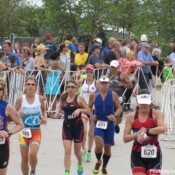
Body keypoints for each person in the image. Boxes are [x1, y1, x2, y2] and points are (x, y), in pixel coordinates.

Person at [123, 89, 166, 175]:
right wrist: (137, 134)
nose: (144, 105)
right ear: (137, 102)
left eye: (146, 102)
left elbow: (163, 128)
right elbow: (125, 138)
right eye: (141, 102)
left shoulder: (156, 114)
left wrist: (147, 131)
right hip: (137, 155)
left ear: (150, 102)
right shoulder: (131, 116)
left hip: (154, 156)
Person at [56, 80, 91, 175]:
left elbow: (89, 111)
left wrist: (80, 109)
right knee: (67, 150)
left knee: (77, 152)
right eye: (68, 87)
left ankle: (80, 163)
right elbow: (60, 108)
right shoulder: (63, 98)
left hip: (78, 128)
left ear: (76, 88)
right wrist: (56, 114)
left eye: (72, 87)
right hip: (66, 127)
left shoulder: (79, 99)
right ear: (66, 88)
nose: (70, 89)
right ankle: (67, 172)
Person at [89, 76, 122, 175]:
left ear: (108, 84)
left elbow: (119, 108)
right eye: (102, 83)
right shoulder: (94, 95)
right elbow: (89, 107)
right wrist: (91, 115)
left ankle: (104, 167)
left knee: (107, 148)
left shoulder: (113, 95)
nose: (103, 85)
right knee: (99, 144)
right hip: (98, 123)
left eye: (105, 83)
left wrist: (115, 115)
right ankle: (99, 160)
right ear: (99, 84)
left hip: (110, 124)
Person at [15, 76, 47, 175]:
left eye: (32, 84)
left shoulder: (40, 98)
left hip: (36, 131)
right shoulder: (21, 99)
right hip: (23, 132)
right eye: (28, 84)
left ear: (36, 87)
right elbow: (13, 114)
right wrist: (18, 115)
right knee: (24, 158)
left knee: (32, 154)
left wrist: (45, 117)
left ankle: (33, 170)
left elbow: (44, 110)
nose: (30, 86)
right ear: (25, 86)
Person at [0, 79, 24, 175]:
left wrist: (9, 132)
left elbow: (20, 124)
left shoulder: (7, 107)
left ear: (3, 92)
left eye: (0, 89)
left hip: (2, 144)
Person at [78, 64, 98, 162]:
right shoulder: (81, 82)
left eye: (91, 72)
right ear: (85, 73)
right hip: (84, 108)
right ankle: (83, 150)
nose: (89, 74)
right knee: (84, 131)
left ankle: (89, 151)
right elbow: (75, 92)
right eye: (87, 72)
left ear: (93, 73)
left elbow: (101, 93)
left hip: (93, 110)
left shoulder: (96, 83)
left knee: (91, 133)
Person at [45, 51, 65, 118]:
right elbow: (63, 70)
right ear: (57, 56)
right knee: (54, 96)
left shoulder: (49, 61)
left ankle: (47, 112)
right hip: (54, 78)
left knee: (48, 96)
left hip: (49, 78)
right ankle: (53, 112)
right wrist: (63, 73)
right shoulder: (56, 62)